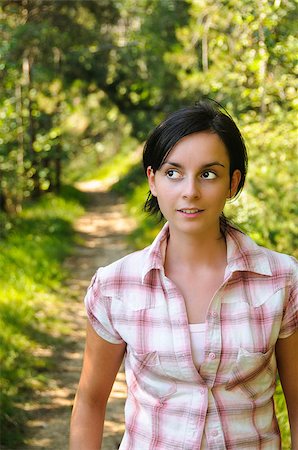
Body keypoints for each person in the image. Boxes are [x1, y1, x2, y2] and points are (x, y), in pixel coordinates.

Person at [69, 100, 298, 450]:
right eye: (173, 172)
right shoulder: (115, 287)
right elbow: (90, 401)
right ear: (153, 180)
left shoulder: (282, 280)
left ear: (233, 183)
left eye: (208, 174)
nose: (190, 190)